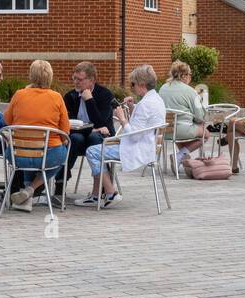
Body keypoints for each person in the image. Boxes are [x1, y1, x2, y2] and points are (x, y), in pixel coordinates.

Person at [81, 64, 166, 208]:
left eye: (133, 84)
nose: (131, 88)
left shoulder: (146, 104)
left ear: (142, 84)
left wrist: (122, 118)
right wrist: (133, 108)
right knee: (101, 146)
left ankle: (110, 192)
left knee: (92, 151)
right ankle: (97, 195)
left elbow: (134, 136)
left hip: (138, 147)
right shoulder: (156, 99)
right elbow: (142, 126)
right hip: (149, 145)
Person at [4, 60, 71, 212]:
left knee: (29, 148)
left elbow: (6, 121)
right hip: (49, 155)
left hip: (17, 155)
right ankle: (31, 189)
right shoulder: (56, 97)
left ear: (31, 76)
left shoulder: (19, 95)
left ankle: (27, 198)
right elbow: (65, 131)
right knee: (62, 156)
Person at [62, 61, 115, 177]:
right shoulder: (70, 96)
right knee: (75, 138)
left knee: (94, 137)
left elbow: (101, 124)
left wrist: (89, 101)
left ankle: (103, 185)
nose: (76, 82)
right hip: (79, 137)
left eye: (80, 80)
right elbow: (67, 123)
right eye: (74, 78)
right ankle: (62, 179)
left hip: (102, 138)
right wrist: (90, 130)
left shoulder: (105, 95)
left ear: (92, 80)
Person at [158, 60, 206, 162]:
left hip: (164, 130)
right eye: (189, 74)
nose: (190, 77)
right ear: (184, 75)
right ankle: (179, 156)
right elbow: (200, 117)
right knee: (205, 134)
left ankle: (183, 158)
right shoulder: (190, 91)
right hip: (182, 131)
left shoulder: (163, 88)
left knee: (176, 127)